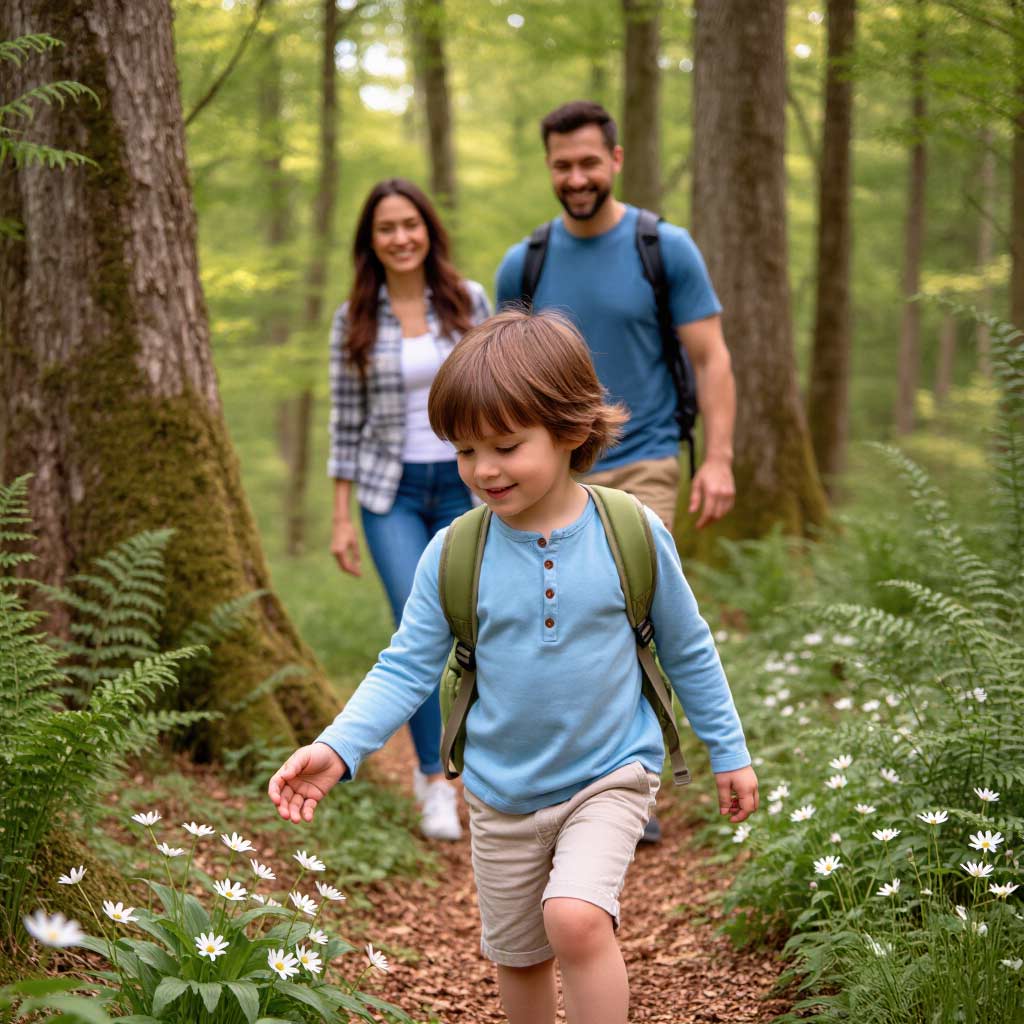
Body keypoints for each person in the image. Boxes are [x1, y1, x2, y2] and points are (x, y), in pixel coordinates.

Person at [271, 309, 758, 1024]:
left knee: (576, 919)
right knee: (520, 955)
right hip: (499, 796)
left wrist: (730, 751)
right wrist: (338, 747)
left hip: (610, 774)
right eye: (466, 452)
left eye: (505, 445)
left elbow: (687, 648)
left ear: (570, 429)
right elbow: (405, 669)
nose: (484, 470)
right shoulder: (455, 553)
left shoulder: (631, 532)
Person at [496, 99, 738, 842]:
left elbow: (710, 358)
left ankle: (630, 781)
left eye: (589, 163)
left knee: (634, 612)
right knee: (561, 618)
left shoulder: (663, 248)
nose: (576, 178)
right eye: (563, 165)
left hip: (644, 460)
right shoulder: (524, 263)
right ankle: (581, 771)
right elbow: (503, 373)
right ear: (549, 167)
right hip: (551, 472)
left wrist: (720, 458)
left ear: (616, 160)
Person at [326, 178, 491, 841]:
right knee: (415, 630)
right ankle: (432, 780)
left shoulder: (469, 300)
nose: (400, 238)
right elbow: (344, 422)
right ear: (371, 241)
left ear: (429, 230)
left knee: (476, 627)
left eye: (410, 225)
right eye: (386, 228)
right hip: (387, 491)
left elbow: (499, 387)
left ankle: (491, 771)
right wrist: (341, 517)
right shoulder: (353, 319)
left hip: (467, 483)